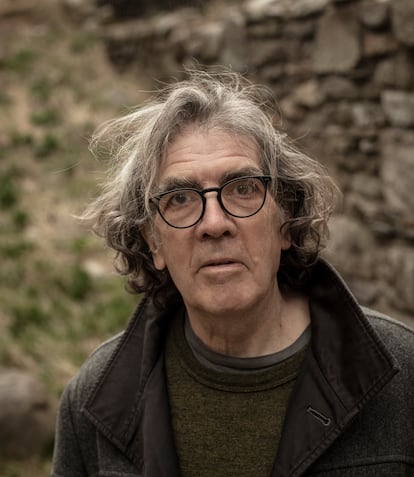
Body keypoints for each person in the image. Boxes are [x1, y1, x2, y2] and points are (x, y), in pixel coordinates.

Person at [51, 70, 414, 477]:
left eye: (243, 188)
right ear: (153, 241)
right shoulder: (92, 401)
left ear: (286, 216)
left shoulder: (404, 374)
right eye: (181, 198)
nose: (214, 222)